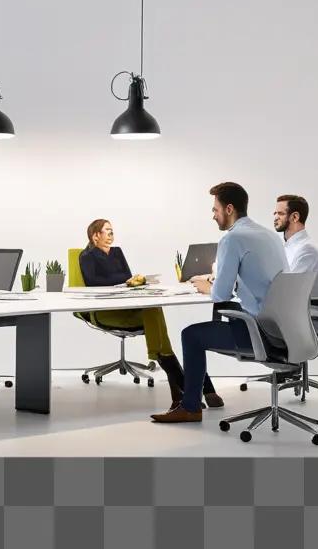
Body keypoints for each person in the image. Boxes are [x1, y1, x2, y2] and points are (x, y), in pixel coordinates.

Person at [152, 182, 287, 424]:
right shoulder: (269, 235)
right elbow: (260, 280)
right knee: (218, 319)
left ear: (229, 209)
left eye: (215, 209)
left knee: (191, 335)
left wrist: (208, 286)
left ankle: (190, 407)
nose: (213, 215)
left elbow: (220, 295)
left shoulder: (232, 239)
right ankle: (209, 392)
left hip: (258, 332)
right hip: (282, 327)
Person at [79, 219, 221, 410]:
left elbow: (127, 276)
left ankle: (178, 388)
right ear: (95, 235)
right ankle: (193, 386)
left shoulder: (117, 252)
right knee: (154, 316)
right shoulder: (86, 256)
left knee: (154, 308)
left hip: (128, 307)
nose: (112, 235)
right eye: (108, 231)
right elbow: (94, 282)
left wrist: (131, 280)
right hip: (106, 312)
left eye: (113, 231)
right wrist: (125, 279)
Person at [274, 194, 318, 298]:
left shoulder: (306, 249)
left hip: (309, 309)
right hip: (294, 306)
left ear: (295, 217)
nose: (275, 217)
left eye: (280, 213)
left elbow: (288, 289)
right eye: (275, 213)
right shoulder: (289, 247)